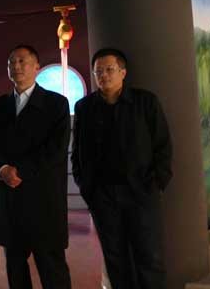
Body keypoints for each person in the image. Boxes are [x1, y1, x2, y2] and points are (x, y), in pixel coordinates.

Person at [72, 48, 172, 289]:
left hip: (141, 192)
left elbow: (163, 146)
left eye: (109, 69)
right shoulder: (85, 107)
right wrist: (86, 186)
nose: (103, 75)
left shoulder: (145, 102)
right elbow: (78, 152)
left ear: (123, 72)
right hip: (102, 195)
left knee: (150, 257)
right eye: (98, 71)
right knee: (115, 258)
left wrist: (156, 183)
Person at [0, 45, 72, 289]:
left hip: (43, 195)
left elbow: (56, 149)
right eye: (11, 62)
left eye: (22, 61)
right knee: (15, 265)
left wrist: (19, 170)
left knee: (51, 267)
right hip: (9, 194)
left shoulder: (56, 104)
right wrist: (2, 169)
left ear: (36, 67)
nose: (16, 66)